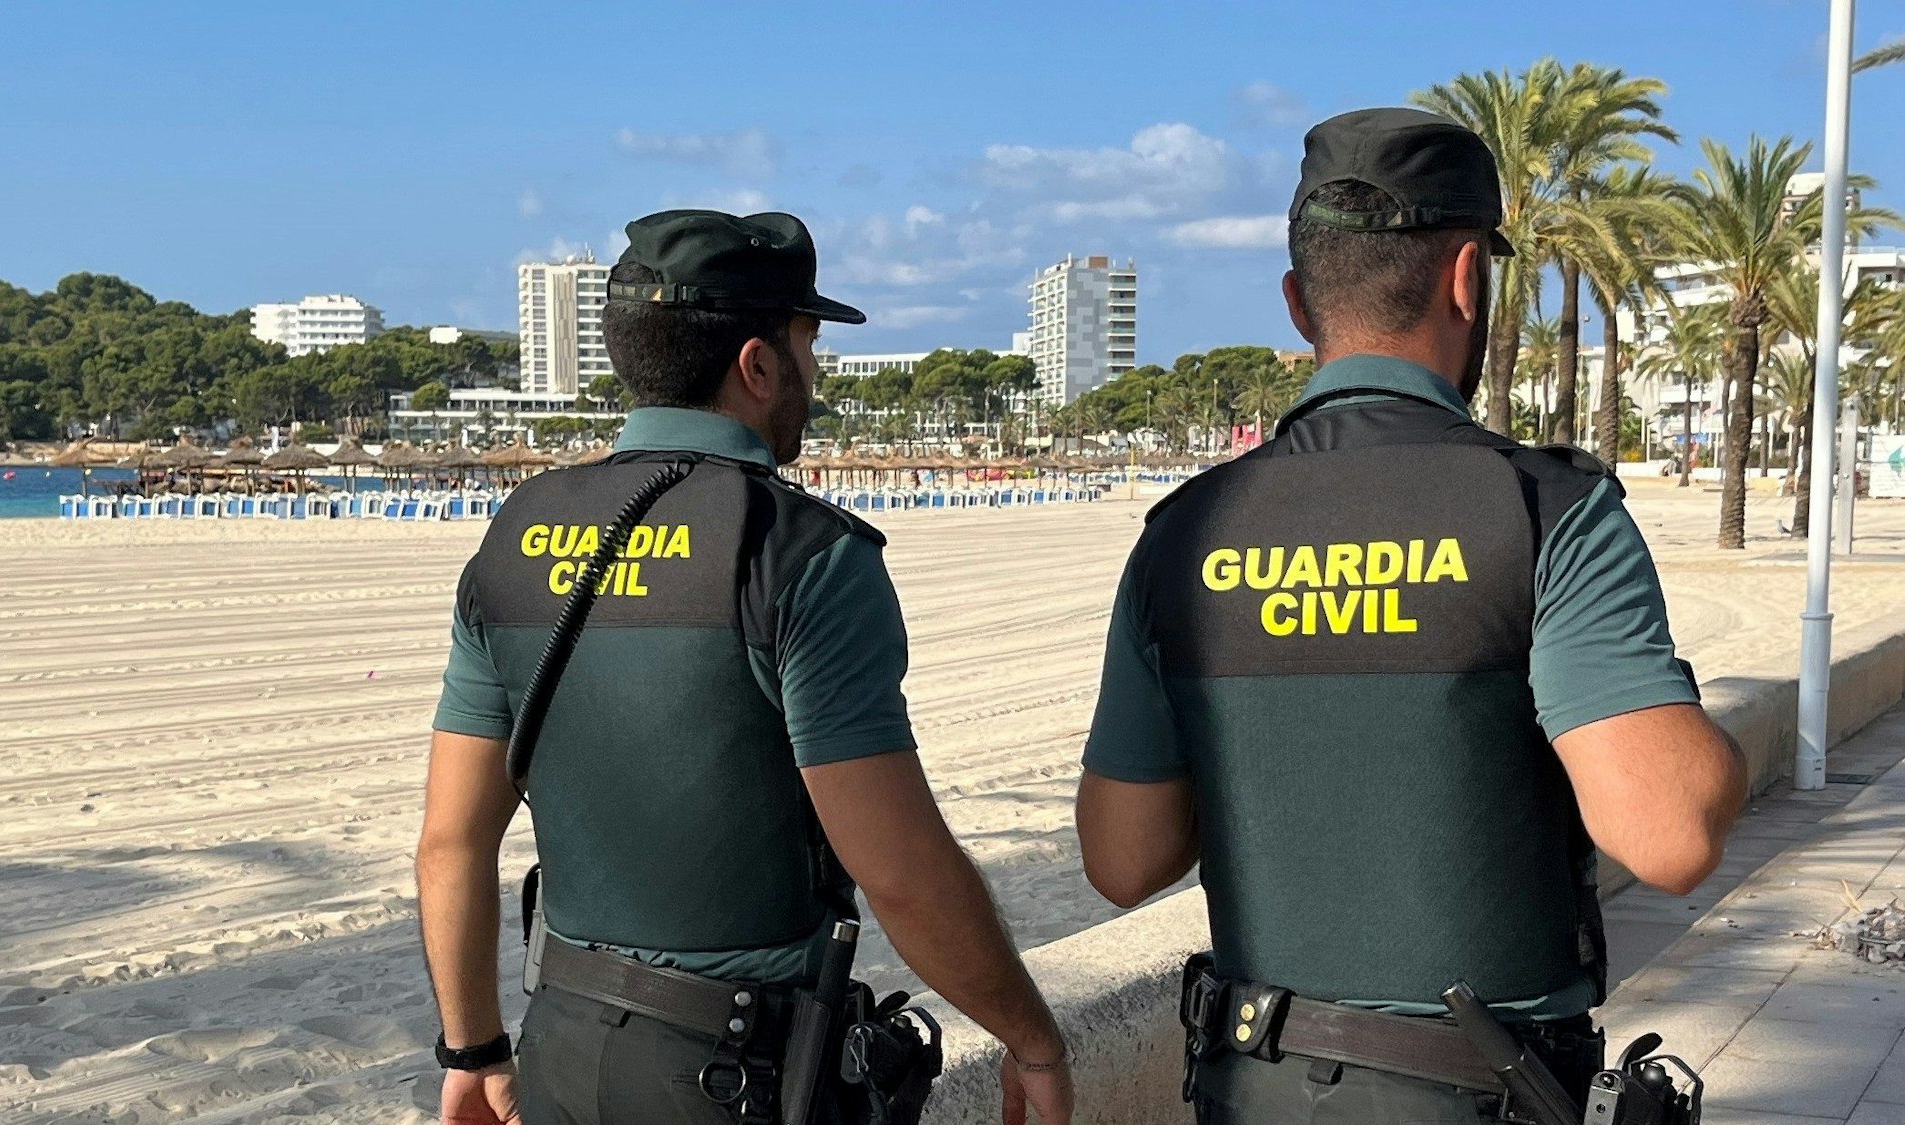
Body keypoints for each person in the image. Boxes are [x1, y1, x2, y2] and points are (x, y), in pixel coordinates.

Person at [1073, 108, 1749, 1125]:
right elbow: (1668, 835)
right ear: (1468, 278)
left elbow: (1121, 862)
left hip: (1249, 1087)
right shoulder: (1540, 510)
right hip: (1480, 1091)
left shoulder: (1182, 532)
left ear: (1299, 304)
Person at [416, 209, 1072, 1125]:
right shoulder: (800, 551)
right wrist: (1032, 1038)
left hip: (560, 1044)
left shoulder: (514, 537)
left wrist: (473, 1047)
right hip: (735, 1076)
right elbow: (902, 872)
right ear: (758, 365)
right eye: (809, 342)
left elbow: (451, 842)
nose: (817, 371)